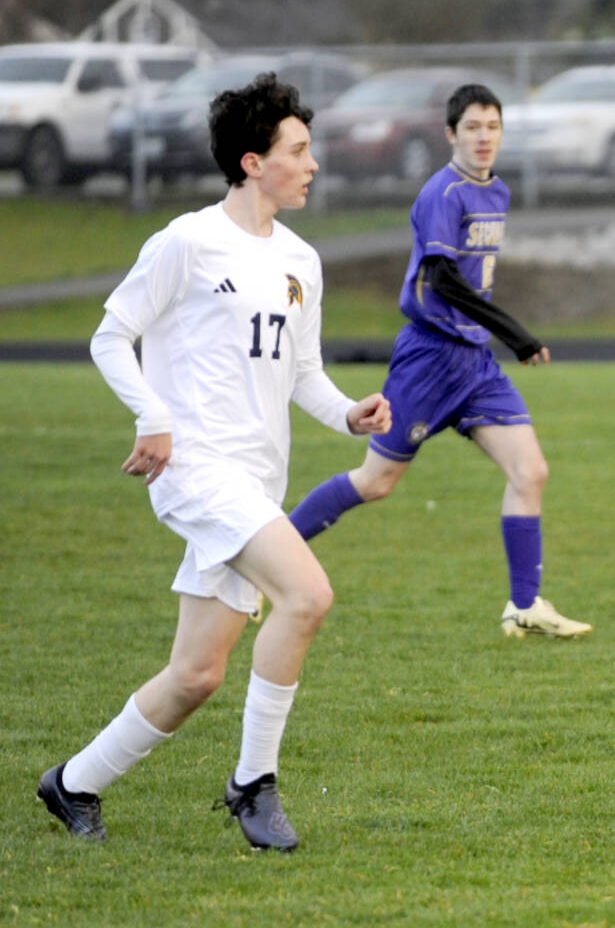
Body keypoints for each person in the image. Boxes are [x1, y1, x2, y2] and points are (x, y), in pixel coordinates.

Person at [37, 73, 392, 851]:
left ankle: (73, 784)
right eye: (298, 150)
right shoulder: (187, 242)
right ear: (251, 161)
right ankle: (252, 785)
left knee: (197, 676)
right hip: (197, 472)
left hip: (259, 482)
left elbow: (302, 374)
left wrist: (349, 413)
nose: (313, 164)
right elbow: (110, 334)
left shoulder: (302, 259)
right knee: (308, 595)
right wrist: (153, 415)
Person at [288, 84, 591, 640]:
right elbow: (445, 280)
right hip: (429, 358)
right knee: (376, 482)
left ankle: (525, 605)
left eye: (493, 127)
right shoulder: (442, 193)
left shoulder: (496, 191)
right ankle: (264, 559)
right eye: (472, 127)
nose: (483, 138)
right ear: (450, 134)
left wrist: (496, 337)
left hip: (474, 364)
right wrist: (516, 334)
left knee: (531, 471)